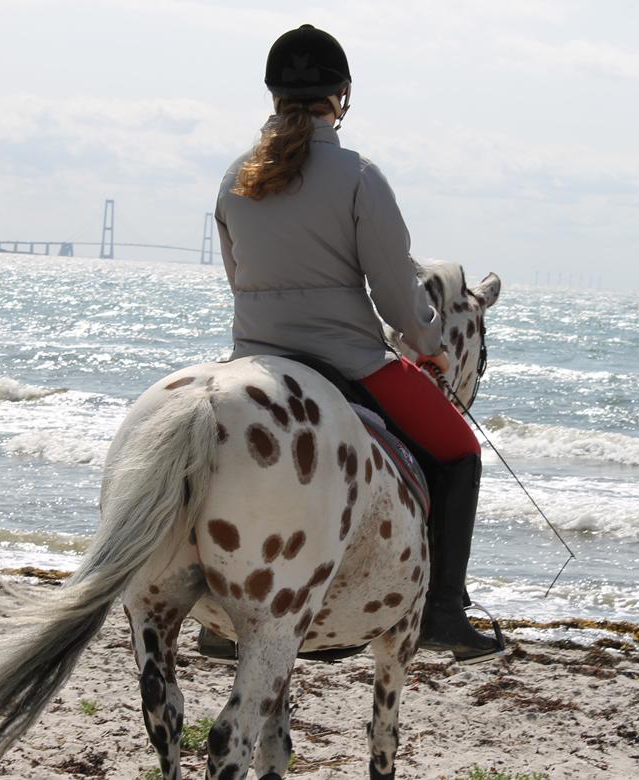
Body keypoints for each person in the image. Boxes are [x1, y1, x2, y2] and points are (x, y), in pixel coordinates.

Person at [212, 24, 502, 663]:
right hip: (348, 359)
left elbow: (239, 278)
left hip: (254, 360)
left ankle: (216, 616)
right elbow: (396, 290)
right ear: (341, 97)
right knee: (459, 450)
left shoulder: (238, 175)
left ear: (272, 95)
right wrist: (428, 343)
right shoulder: (358, 175)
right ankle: (443, 614)